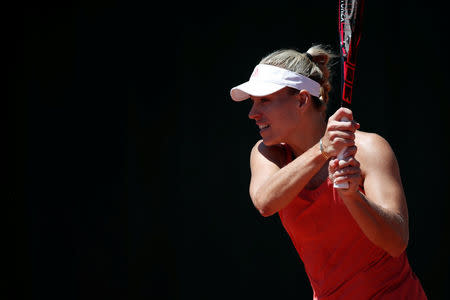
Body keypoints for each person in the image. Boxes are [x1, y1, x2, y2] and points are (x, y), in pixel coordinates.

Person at [230, 45, 427, 299]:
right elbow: (265, 202)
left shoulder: (369, 149)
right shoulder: (267, 154)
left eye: (264, 100)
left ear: (301, 100)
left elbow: (396, 242)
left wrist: (353, 196)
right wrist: (322, 150)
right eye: (253, 102)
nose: (252, 113)